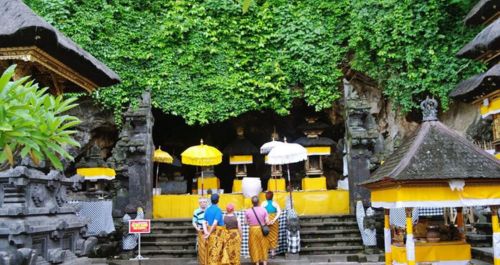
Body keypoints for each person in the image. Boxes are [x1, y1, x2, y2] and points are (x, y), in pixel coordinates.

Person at [245, 196, 269, 265]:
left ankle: (257, 263)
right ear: (258, 202)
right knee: (263, 245)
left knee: (254, 246)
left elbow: (245, 222)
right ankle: (264, 262)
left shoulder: (248, 211)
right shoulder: (264, 210)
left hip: (252, 230)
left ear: (252, 202)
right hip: (262, 230)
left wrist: (251, 221)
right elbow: (267, 221)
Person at [203, 194, 225, 265]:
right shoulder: (218, 210)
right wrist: (208, 233)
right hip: (217, 233)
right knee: (218, 251)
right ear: (218, 201)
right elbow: (215, 223)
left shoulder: (207, 210)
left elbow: (204, 222)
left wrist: (206, 232)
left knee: (211, 251)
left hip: (210, 232)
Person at [261, 191, 281, 257]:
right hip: (274, 222)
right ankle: (273, 253)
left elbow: (261, 213)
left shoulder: (263, 203)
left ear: (266, 196)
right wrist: (274, 220)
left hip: (265, 221)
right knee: (274, 237)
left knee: (265, 236)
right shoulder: (275, 203)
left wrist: (266, 221)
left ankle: (266, 252)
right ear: (272, 196)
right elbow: (279, 212)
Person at [192, 197, 208, 265]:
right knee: (200, 247)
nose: (202, 203)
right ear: (199, 203)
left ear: (206, 203)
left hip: (208, 231)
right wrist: (196, 228)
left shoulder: (209, 211)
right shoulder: (196, 211)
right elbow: (194, 222)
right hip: (200, 230)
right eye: (201, 202)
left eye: (204, 202)